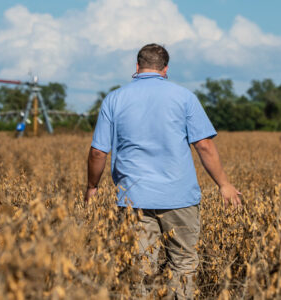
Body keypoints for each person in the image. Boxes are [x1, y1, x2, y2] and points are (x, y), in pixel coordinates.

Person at [85, 43, 241, 299]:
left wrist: (92, 187)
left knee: (138, 271)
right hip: (180, 198)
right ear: (165, 69)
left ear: (137, 67)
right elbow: (204, 145)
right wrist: (223, 183)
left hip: (133, 200)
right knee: (183, 266)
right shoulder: (184, 97)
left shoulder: (114, 98)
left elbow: (98, 152)